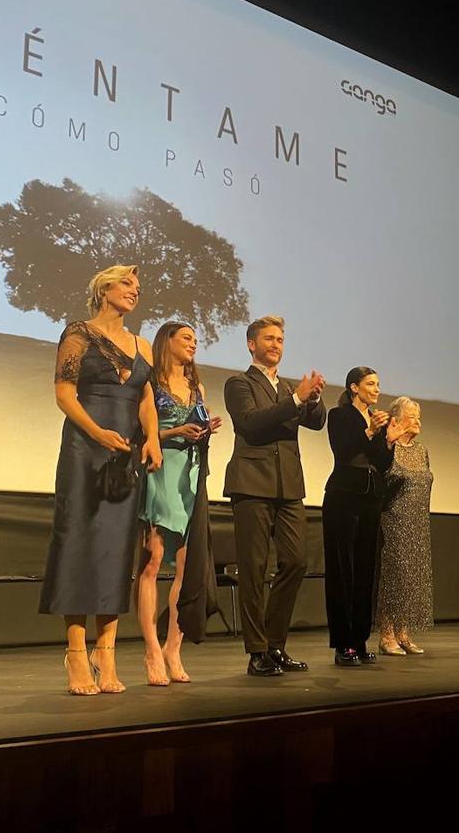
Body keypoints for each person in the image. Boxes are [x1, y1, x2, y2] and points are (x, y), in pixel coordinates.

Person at [39, 264, 163, 695]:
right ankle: (76, 651)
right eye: (126, 283)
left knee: (116, 549)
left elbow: (146, 398)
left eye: (137, 287)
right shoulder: (78, 333)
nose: (134, 290)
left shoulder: (141, 344)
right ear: (103, 288)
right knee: (77, 542)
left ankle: (106, 653)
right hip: (85, 451)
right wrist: (95, 432)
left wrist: (152, 439)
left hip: (124, 455)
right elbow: (64, 394)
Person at [224, 315, 327, 677]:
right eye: (269, 338)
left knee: (297, 561)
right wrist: (297, 397)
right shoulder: (238, 383)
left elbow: (315, 423)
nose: (276, 344)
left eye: (280, 339)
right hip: (252, 482)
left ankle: (274, 643)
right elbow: (251, 423)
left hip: (288, 486)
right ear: (252, 344)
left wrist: (312, 400)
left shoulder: (286, 388)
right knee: (253, 569)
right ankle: (257, 652)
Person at [136, 322, 224, 685]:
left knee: (188, 567)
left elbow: (197, 427)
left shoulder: (196, 386)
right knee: (154, 560)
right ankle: (151, 651)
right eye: (186, 338)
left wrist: (203, 432)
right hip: (160, 470)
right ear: (167, 341)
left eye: (195, 339)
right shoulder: (151, 382)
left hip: (190, 476)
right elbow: (140, 431)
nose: (193, 344)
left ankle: (174, 647)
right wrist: (174, 432)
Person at [322, 368, 407, 665]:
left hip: (371, 499)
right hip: (343, 497)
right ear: (354, 387)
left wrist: (388, 441)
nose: (376, 389)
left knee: (366, 570)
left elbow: (382, 464)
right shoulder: (339, 415)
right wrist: (370, 431)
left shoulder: (379, 419)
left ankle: (359, 641)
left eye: (378, 384)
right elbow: (343, 451)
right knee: (342, 570)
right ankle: (342, 644)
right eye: (371, 384)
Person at [376, 397, 435, 656]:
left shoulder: (421, 450)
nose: (417, 420)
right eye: (411, 416)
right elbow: (382, 479)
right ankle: (386, 633)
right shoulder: (388, 447)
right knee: (395, 576)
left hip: (419, 521)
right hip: (394, 519)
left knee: (412, 577)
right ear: (396, 420)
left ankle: (403, 632)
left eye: (418, 415)